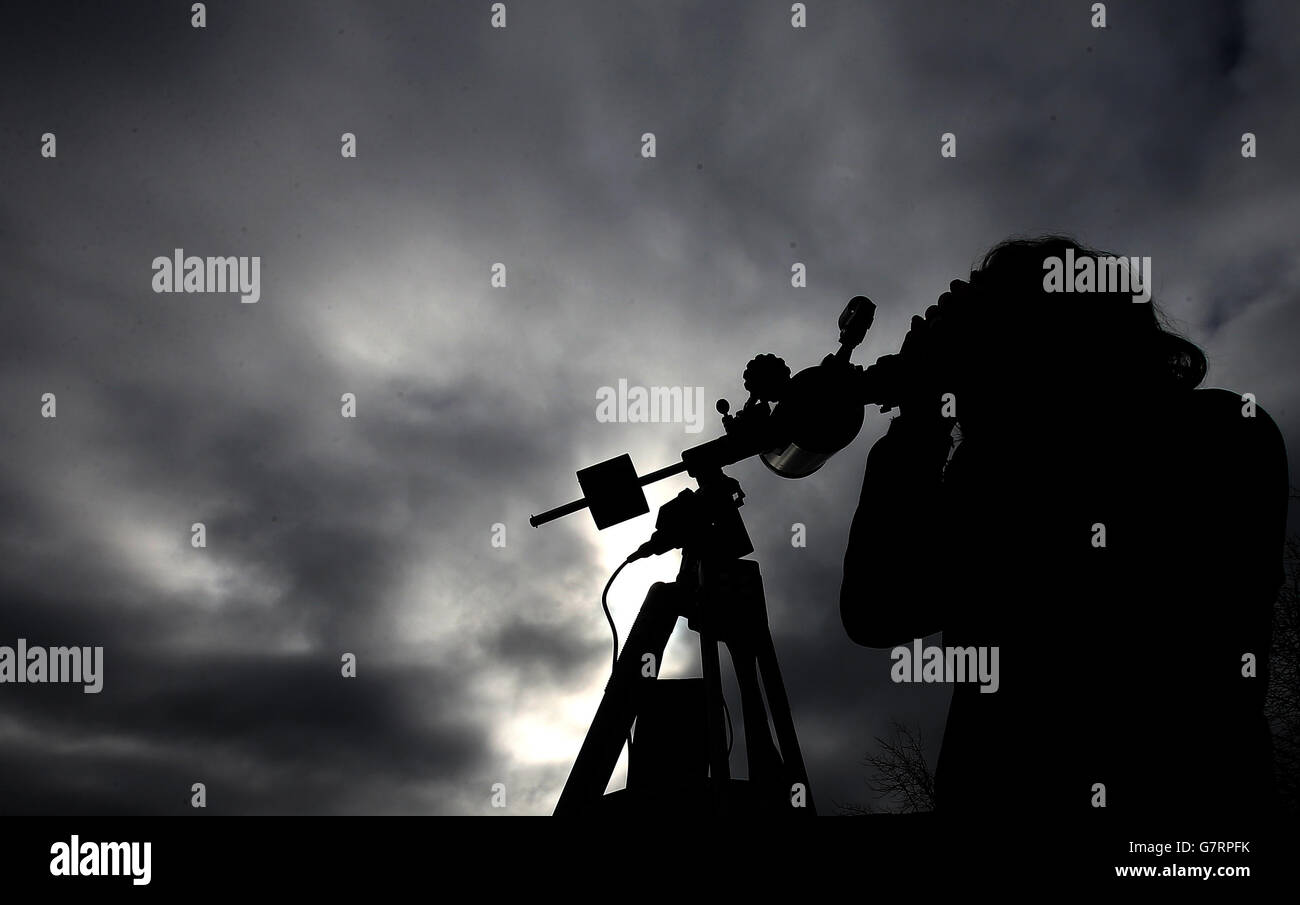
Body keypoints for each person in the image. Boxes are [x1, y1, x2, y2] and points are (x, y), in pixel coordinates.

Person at [840, 235, 1289, 817]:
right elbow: (877, 608)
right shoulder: (995, 472)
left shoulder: (1216, 432)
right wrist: (920, 422)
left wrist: (932, 414)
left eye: (984, 316)